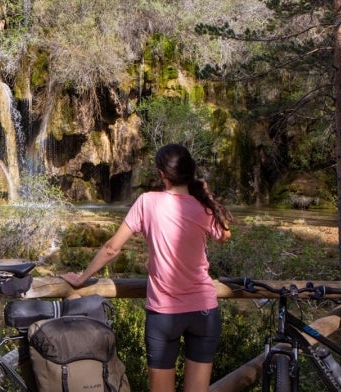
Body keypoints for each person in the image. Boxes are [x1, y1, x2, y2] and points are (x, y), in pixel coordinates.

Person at [60, 143, 232, 392]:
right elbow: (225, 235)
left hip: (164, 314)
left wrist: (82, 276)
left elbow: (111, 248)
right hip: (204, 311)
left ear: (162, 174)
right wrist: (208, 195)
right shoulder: (201, 206)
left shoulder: (147, 202)